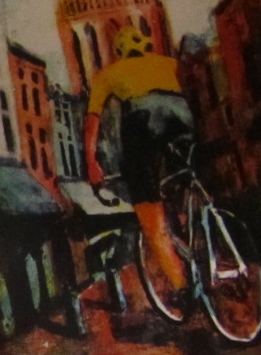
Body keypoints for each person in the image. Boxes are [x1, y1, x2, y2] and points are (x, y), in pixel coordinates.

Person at [82, 25, 195, 295]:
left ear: (119, 52)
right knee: (186, 176)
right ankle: (190, 218)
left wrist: (92, 164)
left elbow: (93, 121)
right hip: (182, 117)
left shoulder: (108, 74)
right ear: (145, 45)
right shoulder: (169, 64)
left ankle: (183, 287)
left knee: (149, 214)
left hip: (143, 121)